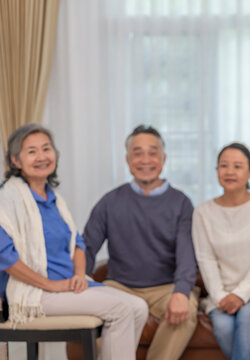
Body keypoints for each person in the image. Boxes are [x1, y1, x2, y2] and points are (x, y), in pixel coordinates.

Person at [0, 124, 148, 360]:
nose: (41, 157)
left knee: (139, 307)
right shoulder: (7, 199)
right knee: (120, 309)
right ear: (15, 160)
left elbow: (78, 244)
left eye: (46, 149)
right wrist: (50, 285)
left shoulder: (54, 198)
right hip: (35, 293)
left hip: (66, 286)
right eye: (31, 151)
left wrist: (80, 275)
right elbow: (4, 257)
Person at [83, 125, 198, 360]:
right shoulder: (110, 201)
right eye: (137, 153)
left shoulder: (181, 203)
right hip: (119, 286)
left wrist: (181, 291)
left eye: (153, 152)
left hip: (164, 287)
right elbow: (87, 246)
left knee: (187, 310)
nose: (145, 160)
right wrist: (79, 280)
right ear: (127, 160)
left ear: (163, 159)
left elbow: (187, 254)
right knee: (94, 311)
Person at [192, 143, 250, 360]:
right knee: (223, 326)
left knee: (247, 318)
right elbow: (205, 257)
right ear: (217, 170)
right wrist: (221, 296)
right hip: (219, 294)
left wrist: (240, 294)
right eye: (224, 166)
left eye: (237, 166)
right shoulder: (203, 211)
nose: (230, 172)